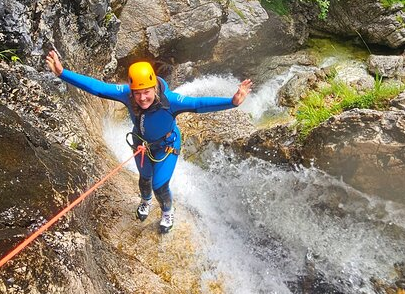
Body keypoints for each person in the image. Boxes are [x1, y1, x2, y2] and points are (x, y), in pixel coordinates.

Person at [46, 51, 252, 233]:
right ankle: (145, 201)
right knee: (144, 179)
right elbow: (98, 88)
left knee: (159, 185)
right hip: (142, 145)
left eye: (147, 92)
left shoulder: (170, 101)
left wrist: (231, 102)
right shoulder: (127, 94)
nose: (143, 98)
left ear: (154, 87)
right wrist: (63, 73)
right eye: (138, 93)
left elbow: (198, 104)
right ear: (132, 90)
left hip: (167, 146)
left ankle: (167, 211)